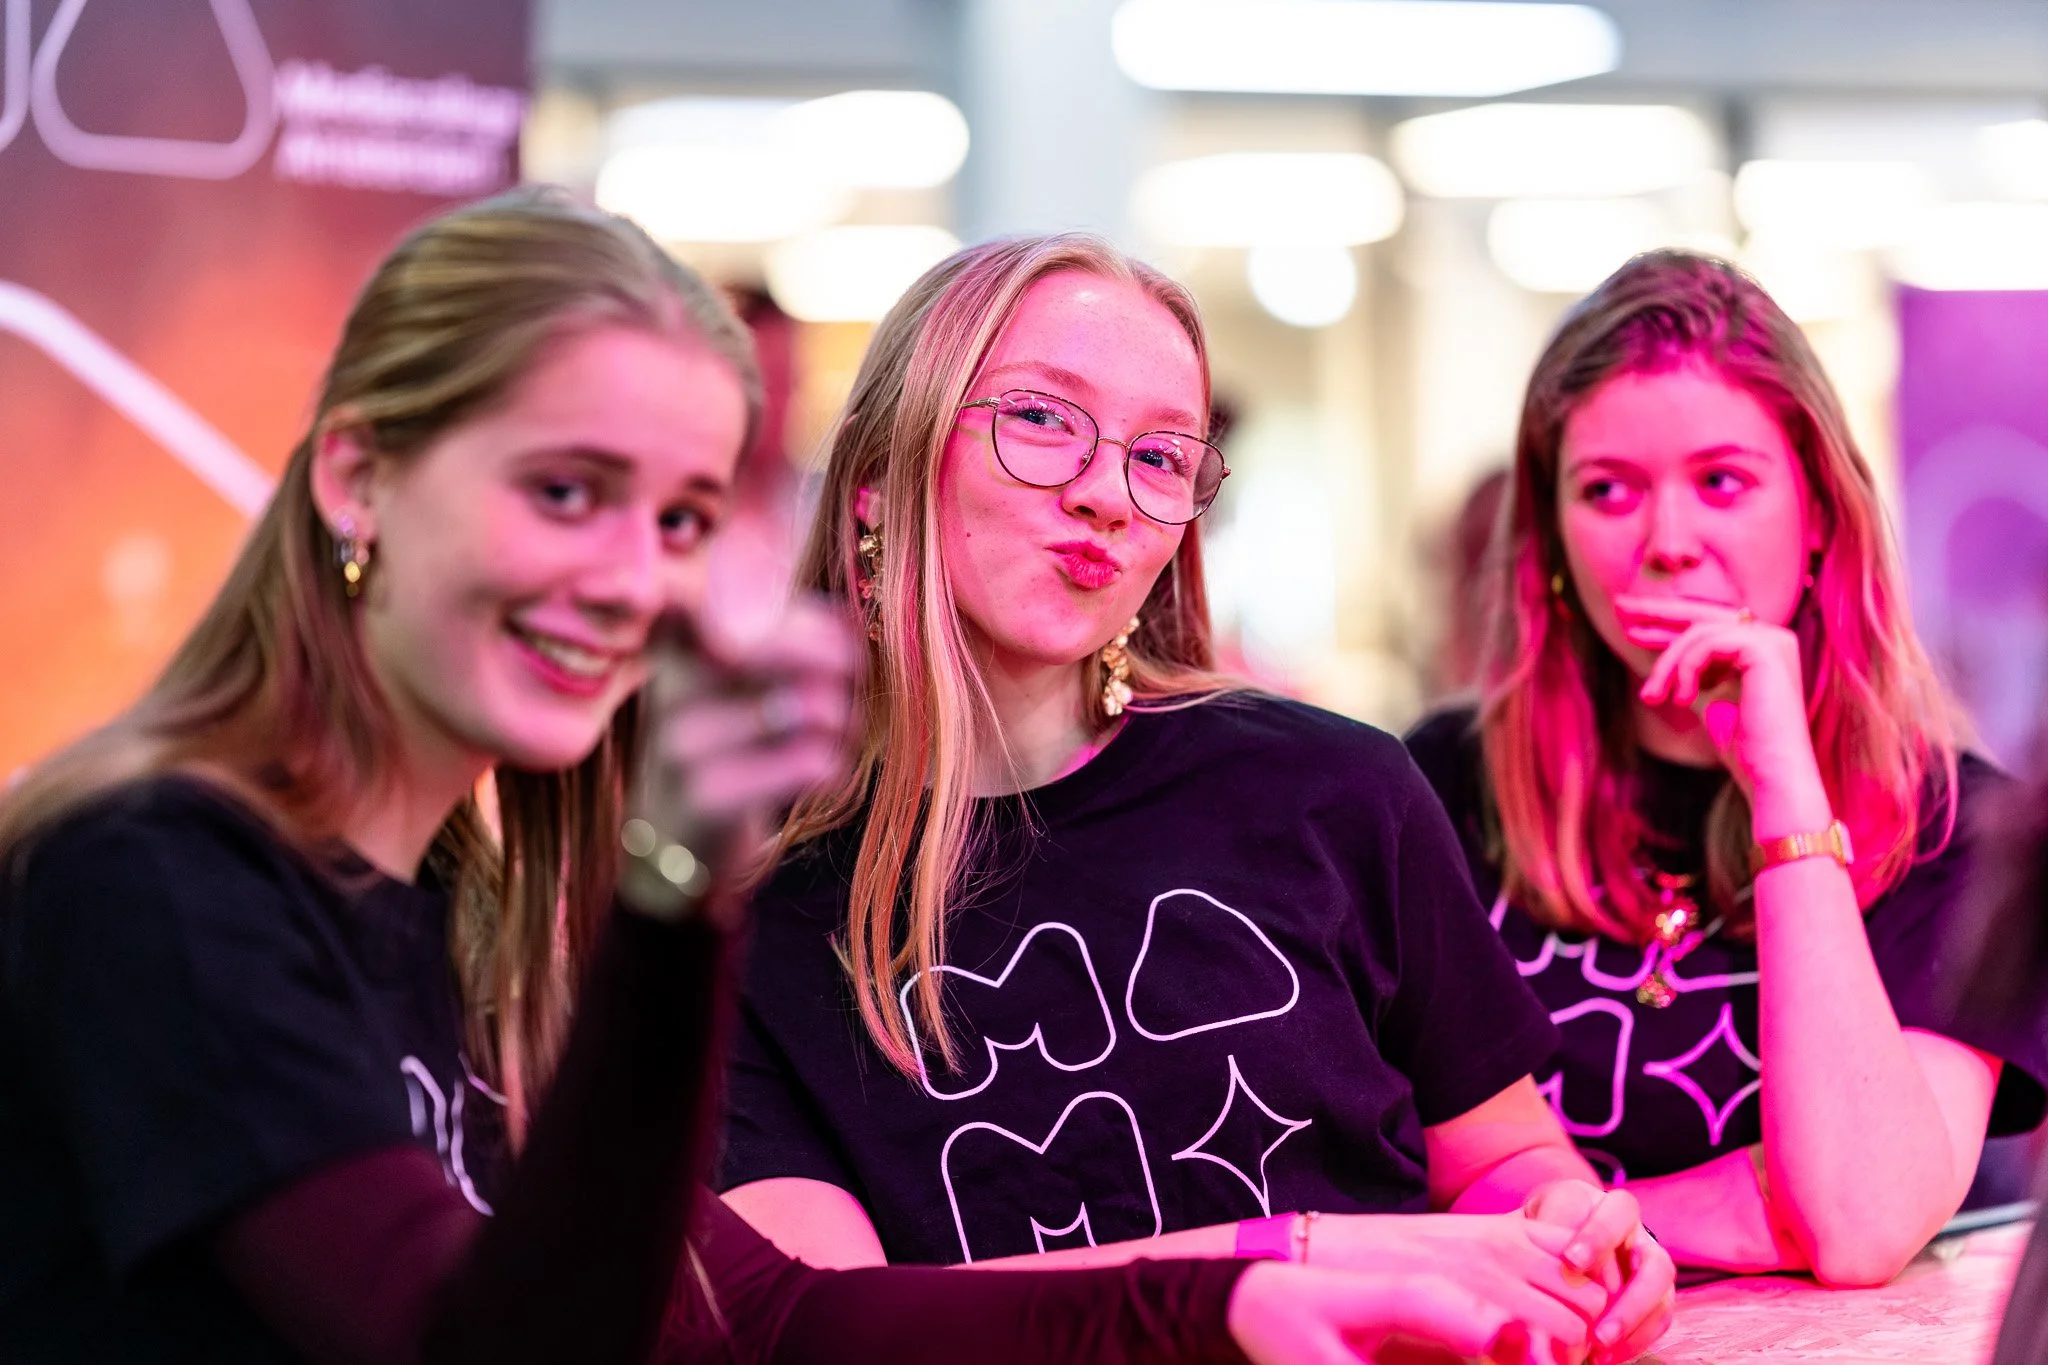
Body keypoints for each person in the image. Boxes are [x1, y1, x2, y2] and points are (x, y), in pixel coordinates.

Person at [0, 189, 1580, 1365]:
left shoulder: (470, 904)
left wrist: (1241, 1294)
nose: (631, 575)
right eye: (567, 490)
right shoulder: (161, 874)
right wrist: (684, 898)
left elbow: (764, 1318)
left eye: (684, 518)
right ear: (356, 474)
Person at [716, 232, 1675, 1362]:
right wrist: (1286, 1258)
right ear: (877, 481)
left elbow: (1508, 1159)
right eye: (1039, 419)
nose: (1105, 496)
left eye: (1162, 456)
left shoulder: (1333, 790)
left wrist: (1570, 1226)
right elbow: (819, 1323)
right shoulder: (750, 916)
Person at [1403, 249, 2048, 1287]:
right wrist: (1748, 1204)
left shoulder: (1953, 825)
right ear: (1553, 544)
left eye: (1719, 482)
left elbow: (1854, 1221)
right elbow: (1390, 1164)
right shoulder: (1429, 791)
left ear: (1815, 518)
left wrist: (1782, 791)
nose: (1666, 542)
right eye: (1607, 490)